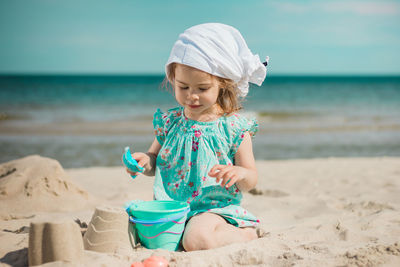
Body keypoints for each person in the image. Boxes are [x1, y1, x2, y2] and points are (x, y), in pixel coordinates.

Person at [127, 23, 268, 251]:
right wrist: (144, 161)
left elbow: (251, 179)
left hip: (212, 210)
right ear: (173, 79)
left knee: (195, 240)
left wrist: (239, 173)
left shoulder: (232, 128)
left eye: (202, 89)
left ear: (222, 85)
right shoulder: (170, 122)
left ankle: (247, 235)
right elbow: (154, 159)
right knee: (136, 229)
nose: (191, 96)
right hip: (172, 209)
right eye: (183, 87)